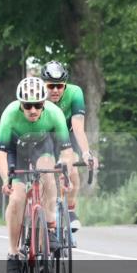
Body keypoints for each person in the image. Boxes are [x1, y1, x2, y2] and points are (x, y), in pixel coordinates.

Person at [0, 76, 76, 273]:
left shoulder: (55, 114)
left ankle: (49, 227)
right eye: (28, 105)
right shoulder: (9, 115)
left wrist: (64, 172)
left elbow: (67, 152)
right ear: (20, 104)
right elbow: (1, 154)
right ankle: (13, 252)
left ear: (44, 104)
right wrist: (6, 179)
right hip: (17, 149)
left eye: (38, 105)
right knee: (17, 198)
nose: (33, 110)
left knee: (48, 174)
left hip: (42, 147)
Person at [41, 60, 98, 232]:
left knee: (72, 170)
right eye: (51, 86)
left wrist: (87, 153)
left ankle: (71, 210)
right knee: (46, 174)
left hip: (68, 133)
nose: (56, 90)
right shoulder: (37, 95)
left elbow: (78, 126)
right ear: (44, 84)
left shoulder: (75, 93)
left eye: (60, 86)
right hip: (45, 134)